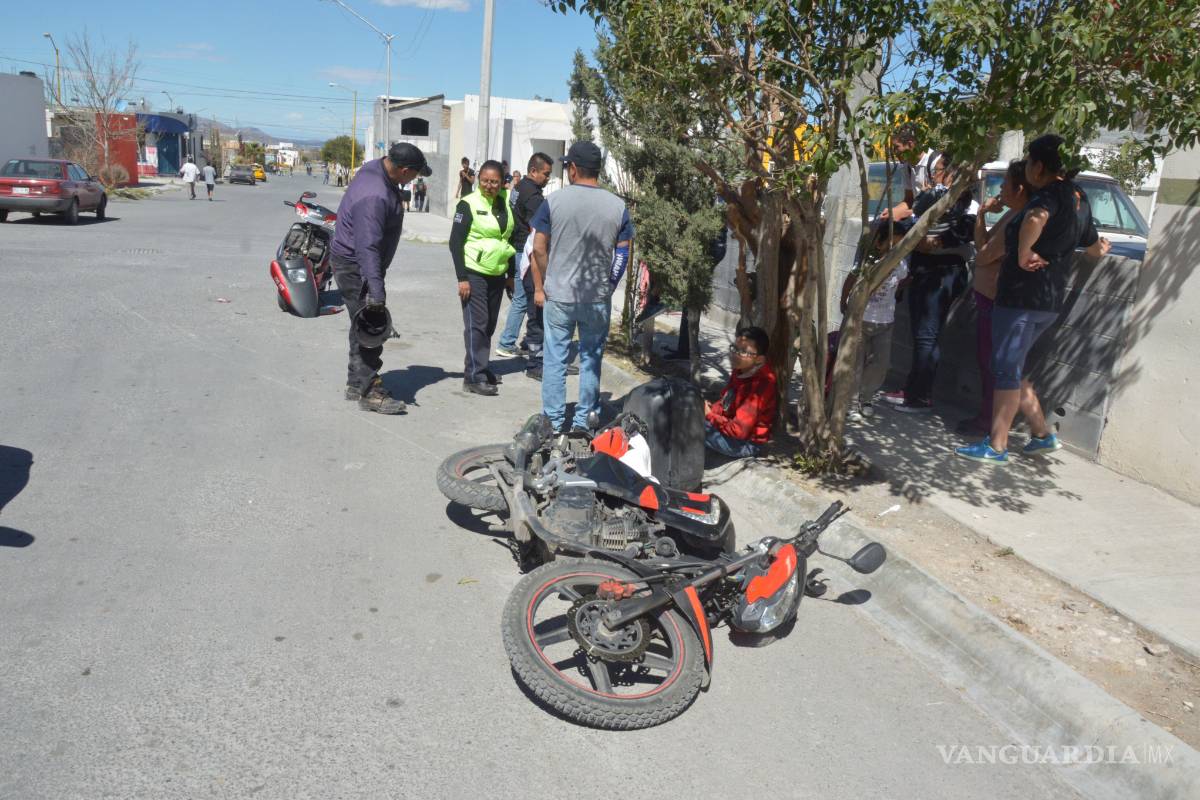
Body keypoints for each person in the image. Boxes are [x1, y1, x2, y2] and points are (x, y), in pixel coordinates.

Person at [957, 135, 1110, 464]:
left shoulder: (1047, 196)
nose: (1026, 167)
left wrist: (1024, 251)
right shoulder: (1078, 197)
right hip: (1049, 301)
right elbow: (1094, 246)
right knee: (1015, 370)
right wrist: (1096, 251)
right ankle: (1042, 435)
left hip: (1021, 299)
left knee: (1005, 370)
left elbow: (1035, 219)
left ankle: (997, 446)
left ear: (1038, 166)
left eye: (1028, 162)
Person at [529, 141, 634, 432]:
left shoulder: (553, 201)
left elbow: (538, 247)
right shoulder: (618, 206)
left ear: (573, 169)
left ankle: (552, 422)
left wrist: (550, 277)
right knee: (591, 359)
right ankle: (584, 420)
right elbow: (622, 253)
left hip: (559, 295)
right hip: (596, 297)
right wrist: (609, 284)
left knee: (555, 359)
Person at [329, 142, 432, 415]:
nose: (414, 180)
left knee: (359, 321)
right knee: (370, 326)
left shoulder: (378, 169)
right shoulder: (375, 195)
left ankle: (356, 383)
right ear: (403, 170)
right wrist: (376, 289)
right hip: (356, 265)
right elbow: (368, 247)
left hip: (354, 261)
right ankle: (370, 392)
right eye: (414, 175)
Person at [884, 153, 976, 413]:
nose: (934, 177)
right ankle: (913, 389)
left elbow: (929, 240)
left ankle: (920, 396)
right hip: (927, 270)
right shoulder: (939, 199)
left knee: (927, 336)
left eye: (938, 171)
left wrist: (917, 240)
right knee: (923, 335)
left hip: (941, 274)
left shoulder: (963, 206)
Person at [957, 159, 1032, 435]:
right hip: (987, 297)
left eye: (1006, 184)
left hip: (996, 300)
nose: (1001, 189)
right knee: (988, 361)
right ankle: (987, 417)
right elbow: (983, 245)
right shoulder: (1012, 214)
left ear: (1020, 188)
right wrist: (981, 215)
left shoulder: (1022, 218)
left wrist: (983, 251)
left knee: (993, 365)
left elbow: (984, 255)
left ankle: (990, 421)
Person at [449, 160, 516, 396]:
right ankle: (473, 376)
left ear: (502, 182)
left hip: (497, 272)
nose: (489, 185)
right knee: (476, 325)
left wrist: (510, 275)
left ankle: (482, 366)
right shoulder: (468, 204)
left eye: (494, 182)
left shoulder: (505, 203)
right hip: (473, 272)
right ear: (479, 180)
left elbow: (508, 240)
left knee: (488, 324)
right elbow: (455, 242)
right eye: (485, 181)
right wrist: (462, 278)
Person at [840, 219, 912, 422]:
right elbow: (851, 279)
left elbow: (904, 279)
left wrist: (896, 291)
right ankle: (851, 402)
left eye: (899, 244)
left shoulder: (900, 264)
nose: (894, 248)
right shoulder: (867, 262)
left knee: (881, 363)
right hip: (861, 319)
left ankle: (866, 397)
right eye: (890, 243)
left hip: (885, 321)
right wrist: (843, 301)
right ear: (879, 242)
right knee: (855, 363)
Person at [496, 153, 553, 372]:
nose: (548, 178)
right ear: (533, 171)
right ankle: (507, 342)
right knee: (522, 299)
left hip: (516, 247)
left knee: (521, 297)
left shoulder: (520, 187)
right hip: (524, 250)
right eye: (545, 174)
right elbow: (537, 228)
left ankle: (521, 341)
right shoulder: (533, 196)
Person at [704, 326, 777, 458]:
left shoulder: (762, 384)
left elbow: (738, 430)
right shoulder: (740, 370)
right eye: (734, 348)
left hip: (747, 444)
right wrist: (711, 410)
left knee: (690, 424)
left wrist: (709, 415)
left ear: (759, 359)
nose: (735, 354)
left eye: (743, 352)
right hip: (732, 430)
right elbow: (726, 402)